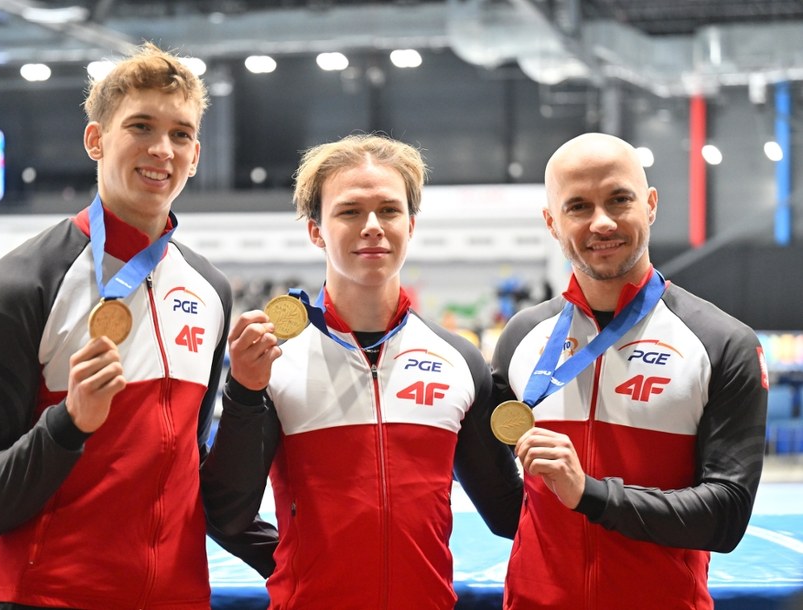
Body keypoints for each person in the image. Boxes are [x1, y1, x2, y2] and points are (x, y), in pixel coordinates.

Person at [0, 42, 276, 610]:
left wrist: (246, 395)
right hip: (48, 598)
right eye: (141, 126)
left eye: (180, 134)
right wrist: (69, 424)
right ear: (96, 140)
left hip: (179, 600)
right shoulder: (25, 283)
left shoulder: (210, 291)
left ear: (195, 156)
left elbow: (198, 480)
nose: (162, 149)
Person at [201, 133, 524, 609]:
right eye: (350, 212)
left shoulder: (460, 360)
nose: (372, 226)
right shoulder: (274, 365)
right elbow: (226, 515)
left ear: (410, 226)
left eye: (389, 210)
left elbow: (505, 512)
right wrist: (245, 393)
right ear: (316, 232)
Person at [491, 132, 769, 609]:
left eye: (619, 199)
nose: (602, 222)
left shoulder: (721, 342)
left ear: (651, 205)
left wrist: (589, 494)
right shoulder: (521, 338)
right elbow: (498, 495)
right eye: (578, 206)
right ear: (552, 222)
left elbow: (725, 517)